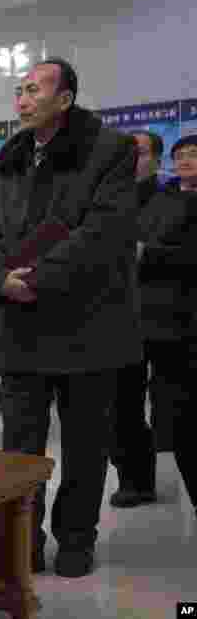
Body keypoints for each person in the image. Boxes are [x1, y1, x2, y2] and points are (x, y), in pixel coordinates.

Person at [0, 58, 140, 578]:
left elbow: (105, 231)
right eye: (18, 90)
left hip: (89, 326)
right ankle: (21, 542)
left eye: (34, 90)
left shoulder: (109, 151)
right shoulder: (8, 161)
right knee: (20, 451)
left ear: (65, 99)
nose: (22, 100)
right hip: (21, 331)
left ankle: (75, 540)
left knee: (85, 447)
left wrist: (37, 278)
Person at [135, 134, 197, 513]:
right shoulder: (161, 198)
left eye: (194, 154)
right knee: (176, 412)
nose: (186, 160)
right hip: (156, 318)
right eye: (181, 155)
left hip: (188, 317)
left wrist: (150, 253)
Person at [107, 130, 163, 508]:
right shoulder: (109, 201)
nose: (131, 160)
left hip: (170, 318)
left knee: (176, 405)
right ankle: (135, 479)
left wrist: (149, 253)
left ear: (157, 160)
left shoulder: (174, 200)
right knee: (122, 403)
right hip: (119, 317)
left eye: (140, 153)